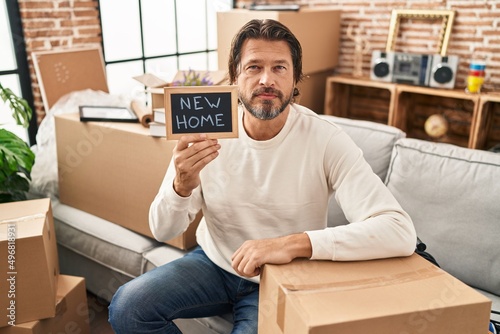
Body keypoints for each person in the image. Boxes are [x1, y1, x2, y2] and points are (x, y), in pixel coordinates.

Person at [108, 18, 416, 334]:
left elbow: (399, 230)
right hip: (214, 263)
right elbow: (162, 229)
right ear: (235, 77)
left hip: (281, 277)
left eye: (279, 68)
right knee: (129, 307)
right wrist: (181, 185)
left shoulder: (325, 140)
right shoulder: (206, 127)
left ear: (296, 78)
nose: (266, 79)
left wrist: (293, 244)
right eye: (253, 67)